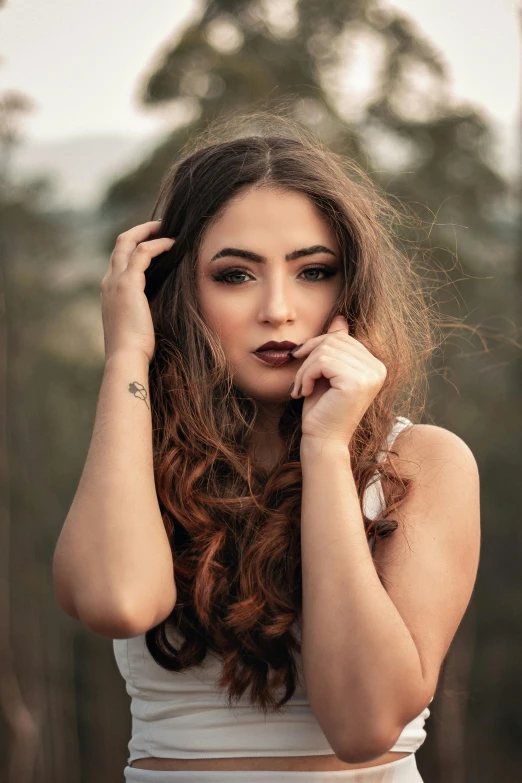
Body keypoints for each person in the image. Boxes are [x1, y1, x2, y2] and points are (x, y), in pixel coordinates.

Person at [52, 113, 481, 782]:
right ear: (177, 291)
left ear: (350, 286)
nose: (278, 309)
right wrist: (127, 359)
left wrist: (326, 448)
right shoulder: (140, 458)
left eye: (313, 272)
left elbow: (365, 724)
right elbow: (118, 600)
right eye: (235, 275)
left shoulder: (421, 463)